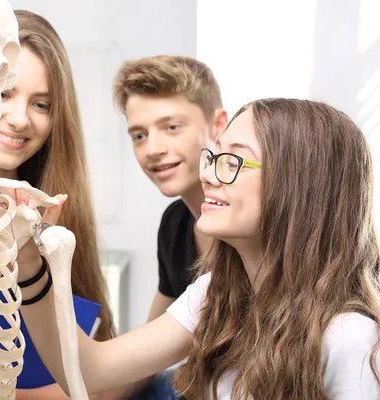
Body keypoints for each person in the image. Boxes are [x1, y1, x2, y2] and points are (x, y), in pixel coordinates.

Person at [20, 98, 380, 399]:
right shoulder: (214, 293)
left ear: (300, 185)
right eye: (214, 156)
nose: (206, 173)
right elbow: (91, 371)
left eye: (232, 160)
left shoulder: (349, 338)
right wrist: (29, 262)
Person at [0, 9, 117, 399]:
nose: (19, 119)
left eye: (42, 105)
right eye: (4, 93)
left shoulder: (54, 226)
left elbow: (99, 382)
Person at [111, 55, 227, 397]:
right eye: (139, 135)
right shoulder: (175, 224)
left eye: (172, 127)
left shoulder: (254, 224)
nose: (153, 150)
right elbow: (148, 351)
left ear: (218, 125)